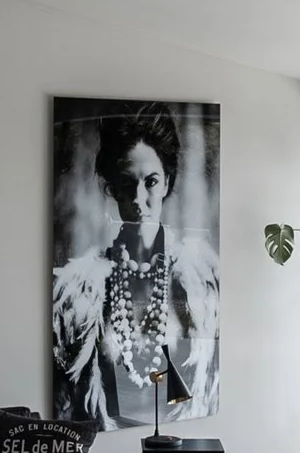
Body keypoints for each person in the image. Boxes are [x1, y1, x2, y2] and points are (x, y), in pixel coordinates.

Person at [52, 109, 219, 427]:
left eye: (150, 182)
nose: (139, 199)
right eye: (127, 184)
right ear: (113, 189)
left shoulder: (201, 280)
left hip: (181, 430)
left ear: (166, 182)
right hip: (108, 440)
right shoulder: (81, 291)